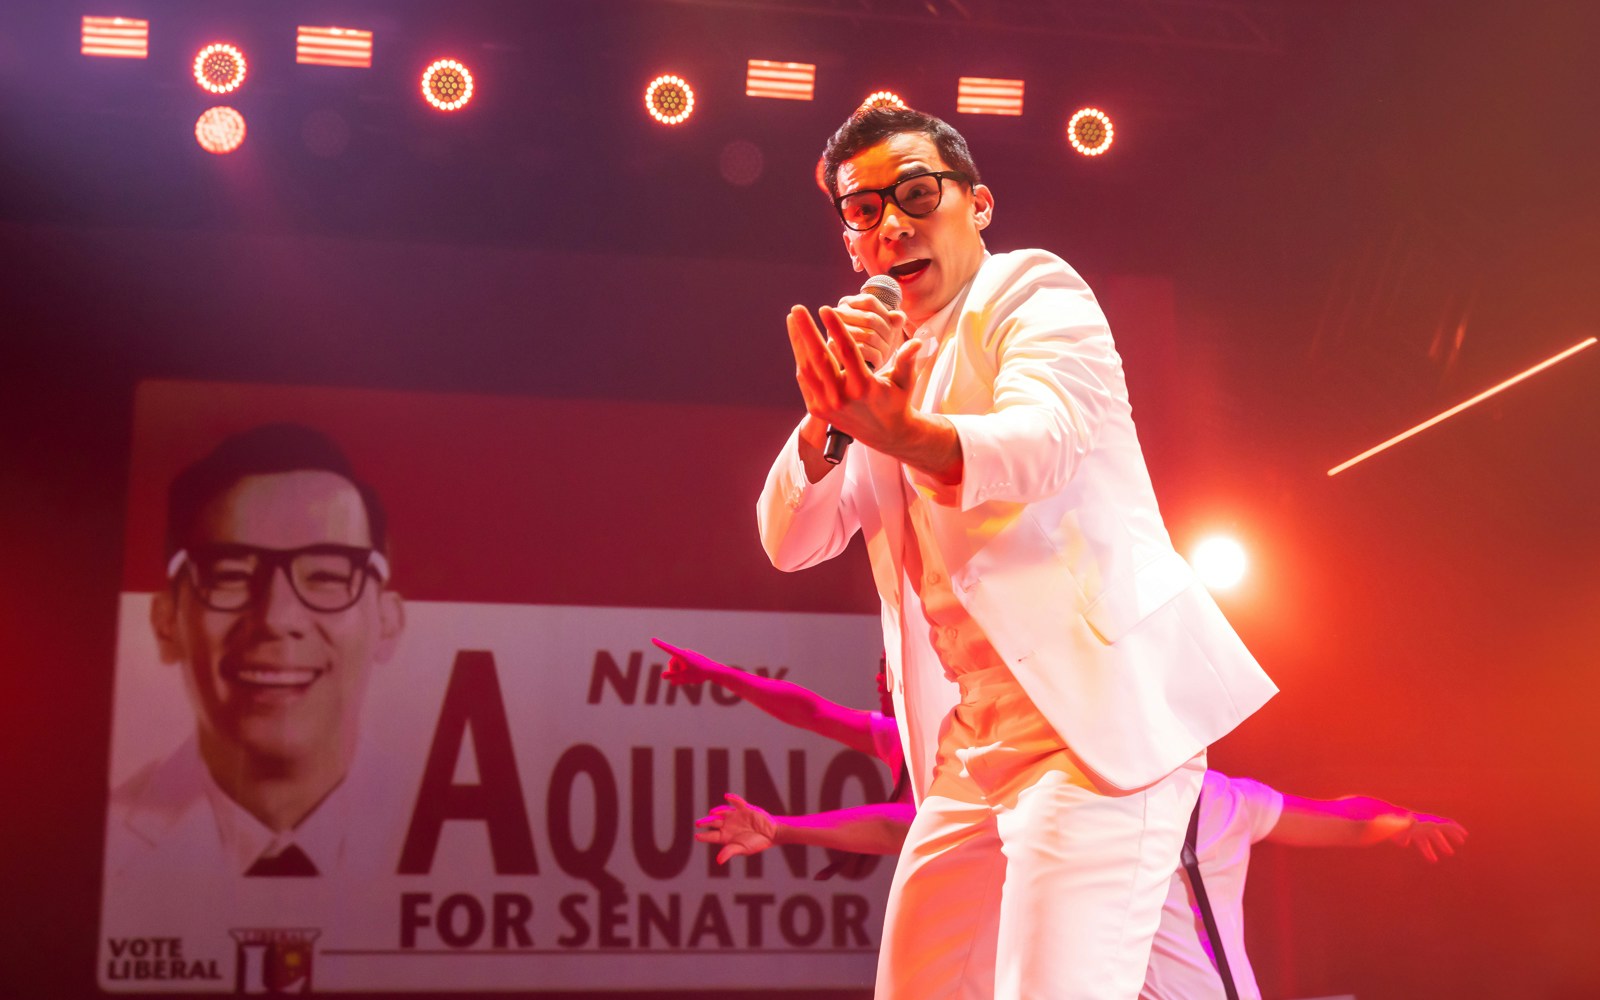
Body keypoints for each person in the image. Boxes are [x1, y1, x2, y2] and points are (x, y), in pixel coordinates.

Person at [756, 104, 1279, 997]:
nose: (891, 221)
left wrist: (907, 431)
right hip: (974, 741)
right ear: (851, 245)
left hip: (1094, 724)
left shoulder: (1032, 291)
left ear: (978, 203)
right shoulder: (879, 371)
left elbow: (1046, 440)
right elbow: (790, 539)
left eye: (916, 192)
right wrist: (827, 421)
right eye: (863, 208)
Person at [105, 423, 405, 879]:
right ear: (166, 625)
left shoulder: (465, 838)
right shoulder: (100, 843)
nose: (276, 618)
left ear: (387, 622)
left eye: (326, 576)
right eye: (230, 574)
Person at [651, 638, 913, 864]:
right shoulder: (900, 736)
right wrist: (716, 672)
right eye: (882, 666)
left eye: (888, 667)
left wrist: (780, 830)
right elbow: (812, 712)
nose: (881, 678)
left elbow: (904, 827)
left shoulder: (948, 737)